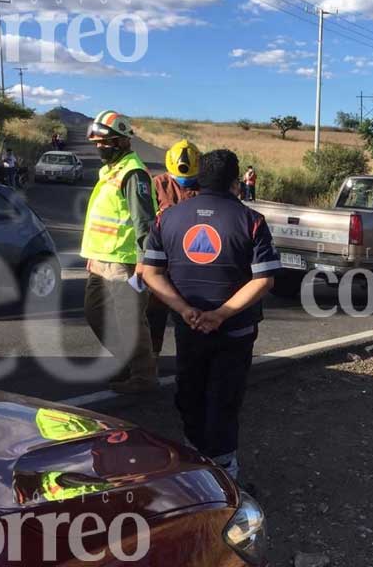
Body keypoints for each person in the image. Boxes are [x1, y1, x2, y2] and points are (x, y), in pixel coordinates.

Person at [141, 149, 280, 481]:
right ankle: (223, 477)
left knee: (190, 392)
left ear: (199, 179)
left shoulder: (167, 218)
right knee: (224, 399)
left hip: (189, 330)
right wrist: (221, 314)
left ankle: (193, 465)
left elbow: (150, 273)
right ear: (236, 182)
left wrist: (185, 310)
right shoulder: (252, 221)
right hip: (235, 332)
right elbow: (264, 280)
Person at [81, 110, 159, 395]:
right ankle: (127, 362)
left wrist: (143, 262)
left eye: (105, 141)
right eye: (97, 142)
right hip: (102, 260)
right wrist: (93, 254)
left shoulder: (133, 173)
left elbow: (144, 223)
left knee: (129, 321)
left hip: (125, 262)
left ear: (122, 141)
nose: (100, 147)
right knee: (94, 312)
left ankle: (143, 377)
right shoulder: (112, 171)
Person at [146, 140, 202, 356]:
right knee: (153, 320)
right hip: (162, 267)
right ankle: (149, 365)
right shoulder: (157, 185)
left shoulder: (205, 188)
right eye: (180, 179)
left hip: (192, 269)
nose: (185, 183)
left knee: (191, 321)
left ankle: (191, 363)